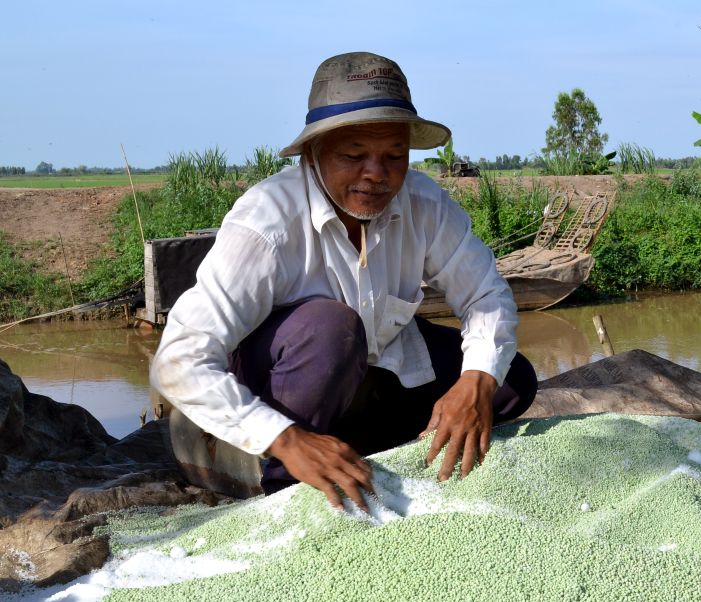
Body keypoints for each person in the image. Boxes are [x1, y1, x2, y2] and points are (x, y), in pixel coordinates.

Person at [150, 52, 537, 511]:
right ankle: (284, 486)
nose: (377, 174)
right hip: (278, 391)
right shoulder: (268, 222)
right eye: (354, 156)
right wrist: (288, 439)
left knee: (506, 376)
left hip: (370, 375)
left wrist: (474, 381)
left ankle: (369, 450)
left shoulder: (425, 204)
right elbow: (178, 360)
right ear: (314, 153)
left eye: (394, 156)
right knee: (330, 329)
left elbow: (486, 295)